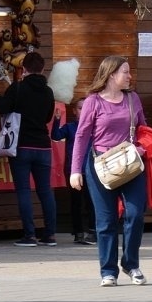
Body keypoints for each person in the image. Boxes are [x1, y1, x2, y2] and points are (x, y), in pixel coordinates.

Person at [70, 55, 149, 287]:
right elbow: (82, 136)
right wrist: (76, 170)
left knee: (135, 215)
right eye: (125, 71)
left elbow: (144, 128)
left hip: (131, 164)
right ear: (112, 74)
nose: (129, 75)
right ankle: (108, 271)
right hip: (100, 167)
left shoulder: (133, 99)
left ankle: (131, 263)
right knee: (106, 221)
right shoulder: (93, 101)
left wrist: (143, 147)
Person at [0, 51, 57, 247]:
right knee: (45, 190)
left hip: (21, 146)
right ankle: (50, 234)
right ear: (43, 69)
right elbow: (47, 118)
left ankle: (29, 235)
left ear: (24, 68)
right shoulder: (48, 92)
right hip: (43, 146)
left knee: (24, 191)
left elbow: (2, 107)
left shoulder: (18, 88)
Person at [51, 97, 96, 245]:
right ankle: (78, 232)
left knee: (92, 203)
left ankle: (92, 231)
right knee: (76, 203)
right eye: (79, 108)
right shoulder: (70, 127)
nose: (83, 111)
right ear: (74, 111)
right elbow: (56, 136)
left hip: (92, 171)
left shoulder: (95, 127)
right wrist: (57, 120)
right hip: (74, 171)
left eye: (85, 108)